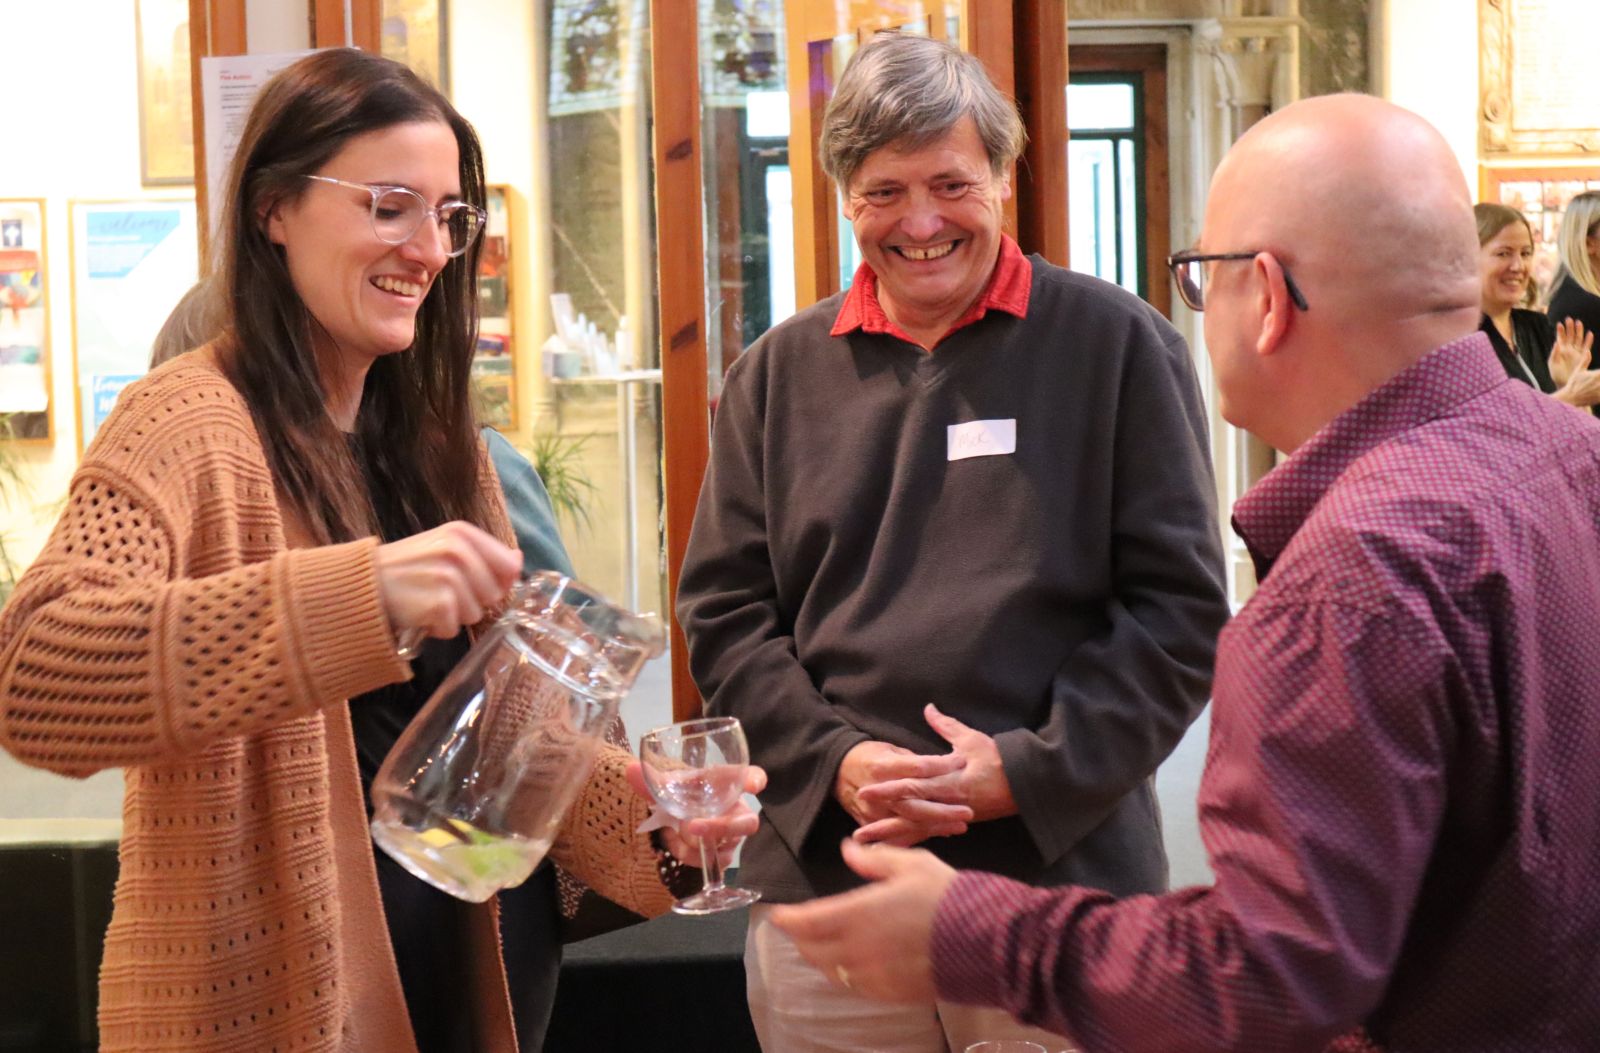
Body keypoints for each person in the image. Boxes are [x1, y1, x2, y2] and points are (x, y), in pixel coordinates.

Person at [769, 92, 1600, 1052]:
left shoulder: (1352, 577)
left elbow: (1270, 980)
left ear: (1268, 298)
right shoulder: (1571, 454)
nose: (920, 223)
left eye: (1204, 278)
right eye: (885, 191)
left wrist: (974, 930)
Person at [0, 49, 757, 1053]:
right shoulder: (183, 422)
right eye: (390, 207)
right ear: (274, 208)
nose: (429, 249)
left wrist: (657, 814)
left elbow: (504, 753)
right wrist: (358, 598)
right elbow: (36, 677)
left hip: (463, 994)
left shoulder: (441, 450)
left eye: (448, 216)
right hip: (272, 1013)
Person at [675, 31, 1230, 1053]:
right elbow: (725, 615)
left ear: (1003, 178)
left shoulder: (1117, 346)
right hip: (832, 886)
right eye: (884, 192)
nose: (921, 223)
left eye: (950, 185)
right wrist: (837, 761)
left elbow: (1179, 615)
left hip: (1059, 889)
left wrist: (1024, 771)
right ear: (845, 197)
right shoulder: (774, 375)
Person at [1472, 202, 1600, 407]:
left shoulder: (1537, 327)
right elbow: (1482, 421)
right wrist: (1569, 395)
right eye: (1503, 253)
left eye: (1525, 253)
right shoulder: (1458, 337)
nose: (1518, 266)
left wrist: (1569, 383)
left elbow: (1581, 423)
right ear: (1468, 258)